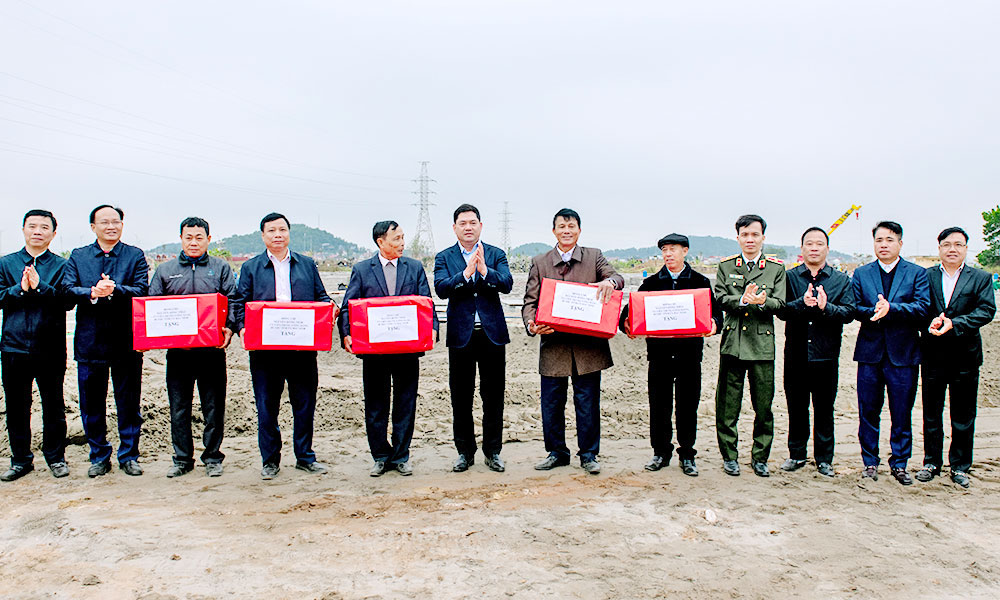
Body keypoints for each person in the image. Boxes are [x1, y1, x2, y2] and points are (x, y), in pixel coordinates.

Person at [233, 213, 335, 480]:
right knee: (267, 407)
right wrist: (242, 328)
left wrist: (329, 309)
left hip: (302, 350)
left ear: (289, 233)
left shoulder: (307, 264)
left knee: (304, 405)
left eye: (282, 230)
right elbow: (239, 303)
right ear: (263, 235)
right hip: (265, 352)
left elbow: (321, 297)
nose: (277, 235)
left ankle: (305, 457)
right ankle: (270, 461)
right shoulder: (251, 267)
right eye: (271, 230)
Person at [522, 208, 623, 475]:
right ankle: (556, 452)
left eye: (571, 226)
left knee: (587, 403)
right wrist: (532, 324)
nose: (566, 231)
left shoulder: (594, 256)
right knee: (551, 404)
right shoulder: (540, 262)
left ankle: (588, 454)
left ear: (579, 230)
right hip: (553, 345)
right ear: (553, 231)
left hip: (588, 347)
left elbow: (617, 277)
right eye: (561, 226)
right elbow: (530, 302)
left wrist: (610, 283)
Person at [339, 221, 438, 477]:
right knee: (376, 405)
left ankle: (401, 456)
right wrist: (346, 333)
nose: (402, 243)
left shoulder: (414, 268)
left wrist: (433, 328)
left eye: (403, 237)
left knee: (405, 403)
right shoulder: (362, 269)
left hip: (407, 350)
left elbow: (427, 302)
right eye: (396, 239)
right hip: (374, 352)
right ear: (380, 242)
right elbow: (349, 304)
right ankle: (381, 456)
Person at [619, 233, 721, 477]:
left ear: (685, 251)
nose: (668, 254)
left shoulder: (700, 282)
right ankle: (661, 452)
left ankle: (687, 454)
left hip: (689, 356)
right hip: (659, 356)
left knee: (688, 406)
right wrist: (627, 324)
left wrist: (715, 324)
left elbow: (716, 313)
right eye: (664, 250)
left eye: (673, 249)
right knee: (659, 405)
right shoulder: (652, 283)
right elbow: (630, 311)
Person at [148, 217, 238, 478]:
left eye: (199, 237)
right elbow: (153, 306)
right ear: (181, 239)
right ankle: (182, 459)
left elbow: (233, 300)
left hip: (212, 352)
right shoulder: (165, 270)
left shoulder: (221, 268)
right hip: (179, 354)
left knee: (214, 407)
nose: (194, 242)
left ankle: (212, 457)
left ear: (209, 239)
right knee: (179, 408)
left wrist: (229, 327)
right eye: (188, 237)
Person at [63, 205, 149, 477]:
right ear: (93, 227)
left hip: (126, 342)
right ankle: (99, 456)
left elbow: (142, 290)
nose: (111, 226)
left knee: (129, 403)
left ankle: (129, 456)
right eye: (104, 222)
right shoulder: (79, 256)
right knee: (92, 405)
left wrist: (114, 290)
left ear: (122, 224)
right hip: (90, 342)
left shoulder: (134, 255)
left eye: (116, 221)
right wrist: (92, 292)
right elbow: (67, 291)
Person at [434, 204, 513, 473]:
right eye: (463, 223)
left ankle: (493, 451)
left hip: (492, 335)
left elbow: (507, 283)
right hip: (461, 336)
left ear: (480, 226)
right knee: (461, 396)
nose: (468, 227)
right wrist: (466, 274)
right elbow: (441, 288)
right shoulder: (444, 257)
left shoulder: (495, 254)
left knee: (493, 396)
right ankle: (464, 452)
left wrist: (484, 271)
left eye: (473, 222)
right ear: (454, 227)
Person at [916, 227, 996, 488]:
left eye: (958, 244)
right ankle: (931, 462)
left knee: (963, 414)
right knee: (931, 413)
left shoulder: (980, 278)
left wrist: (956, 323)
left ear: (966, 248)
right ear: (939, 248)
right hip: (932, 355)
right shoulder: (926, 276)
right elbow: (919, 308)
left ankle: (960, 466)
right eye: (947, 244)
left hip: (966, 356)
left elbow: (986, 310)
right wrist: (929, 322)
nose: (952, 249)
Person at [852, 221, 930, 485]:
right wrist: (875, 311)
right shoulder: (862, 273)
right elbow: (854, 308)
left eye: (889, 240)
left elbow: (922, 307)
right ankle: (870, 462)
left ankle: (899, 463)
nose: (883, 245)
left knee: (901, 412)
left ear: (900, 243)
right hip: (870, 353)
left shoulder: (916, 273)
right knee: (868, 412)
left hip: (903, 354)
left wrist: (892, 308)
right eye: (879, 240)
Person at [776, 227, 855, 477]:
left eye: (819, 244)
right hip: (796, 355)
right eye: (809, 243)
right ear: (802, 249)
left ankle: (824, 459)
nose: (814, 248)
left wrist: (825, 307)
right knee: (796, 408)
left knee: (824, 409)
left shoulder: (840, 280)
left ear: (827, 249)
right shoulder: (789, 278)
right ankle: (797, 454)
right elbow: (780, 310)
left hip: (826, 355)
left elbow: (849, 313)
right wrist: (801, 304)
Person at [0, 210, 72, 481]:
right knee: (17, 407)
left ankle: (56, 457)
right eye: (32, 226)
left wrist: (41, 286)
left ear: (53, 233)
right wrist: (19, 289)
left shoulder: (62, 266)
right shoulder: (6, 263)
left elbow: (67, 301)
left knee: (53, 405)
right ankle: (20, 460)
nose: (37, 231)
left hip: (50, 347)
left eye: (44, 227)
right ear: (23, 230)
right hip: (14, 347)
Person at [713, 214, 786, 478]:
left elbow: (781, 305)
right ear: (738, 238)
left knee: (763, 407)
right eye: (745, 235)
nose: (750, 239)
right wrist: (742, 300)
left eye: (755, 234)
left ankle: (760, 458)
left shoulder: (776, 269)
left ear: (763, 237)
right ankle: (729, 457)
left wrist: (763, 302)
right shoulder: (726, 266)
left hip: (761, 346)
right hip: (733, 344)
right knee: (727, 406)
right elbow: (720, 298)